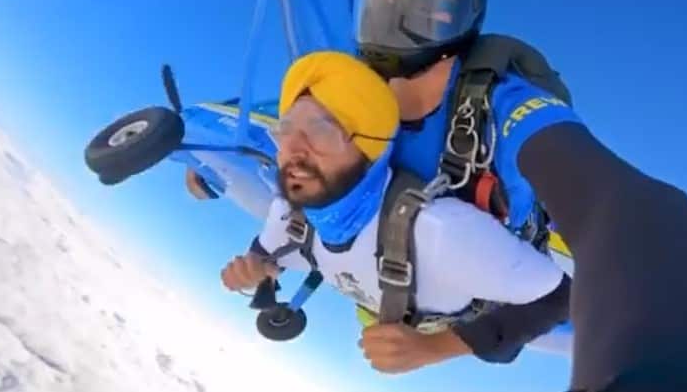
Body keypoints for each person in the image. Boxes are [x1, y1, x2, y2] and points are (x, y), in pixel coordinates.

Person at [352, 0, 687, 391]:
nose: (394, 29)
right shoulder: (339, 94)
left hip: (472, 288)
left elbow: (612, 203)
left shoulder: (500, 104)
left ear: (461, 24)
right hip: (373, 268)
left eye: (421, 13)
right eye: (383, 8)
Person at [220, 50, 571, 374]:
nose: (292, 149)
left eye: (320, 132)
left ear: (368, 145)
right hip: (380, 299)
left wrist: (433, 348)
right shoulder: (288, 212)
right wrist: (255, 270)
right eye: (285, 130)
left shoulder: (440, 232)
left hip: (441, 313)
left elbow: (558, 299)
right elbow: (267, 253)